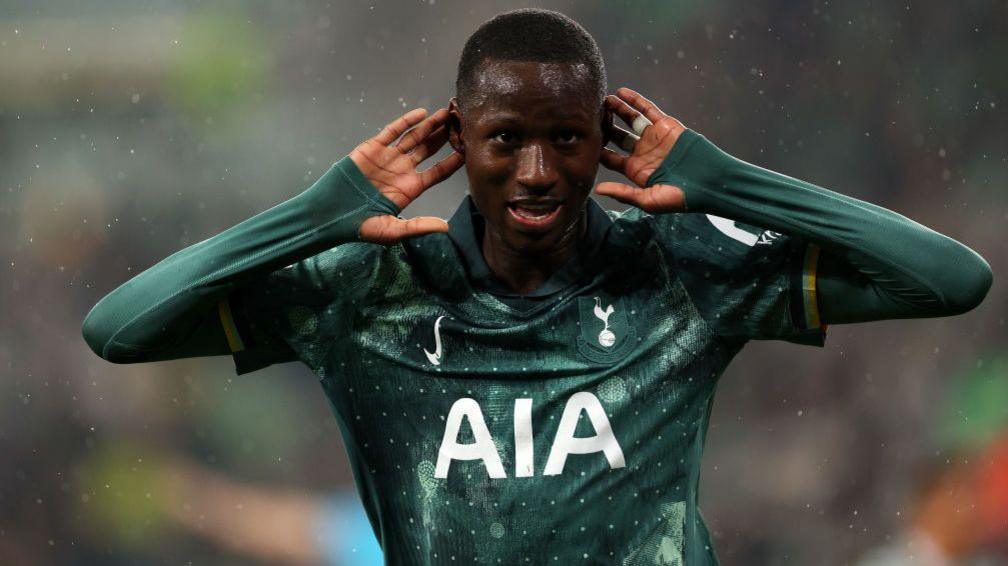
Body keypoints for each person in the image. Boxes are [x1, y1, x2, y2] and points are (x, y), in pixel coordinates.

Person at [81, 8, 992, 565]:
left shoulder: (678, 268)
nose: (537, 171)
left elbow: (951, 279)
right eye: (506, 137)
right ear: (458, 140)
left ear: (606, 139)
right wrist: (318, 213)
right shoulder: (367, 290)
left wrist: (728, 181)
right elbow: (118, 329)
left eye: (566, 137)